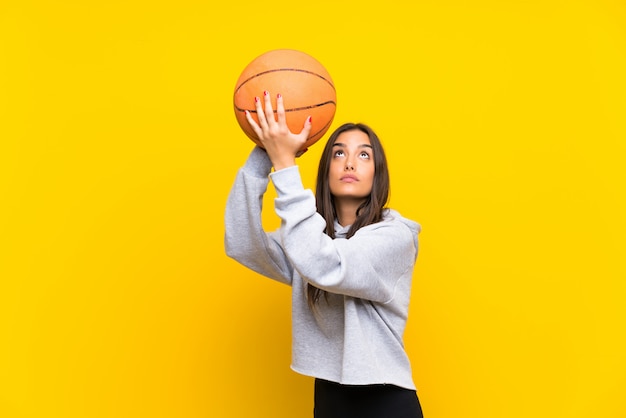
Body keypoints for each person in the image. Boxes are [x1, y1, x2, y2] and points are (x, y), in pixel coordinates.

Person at [224, 91, 424, 418]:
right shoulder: (310, 241)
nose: (348, 162)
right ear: (326, 168)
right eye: (338, 153)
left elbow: (327, 264)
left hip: (386, 402)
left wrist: (285, 163)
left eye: (364, 155)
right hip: (329, 399)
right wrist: (264, 152)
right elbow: (244, 243)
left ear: (378, 173)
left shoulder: (395, 237)